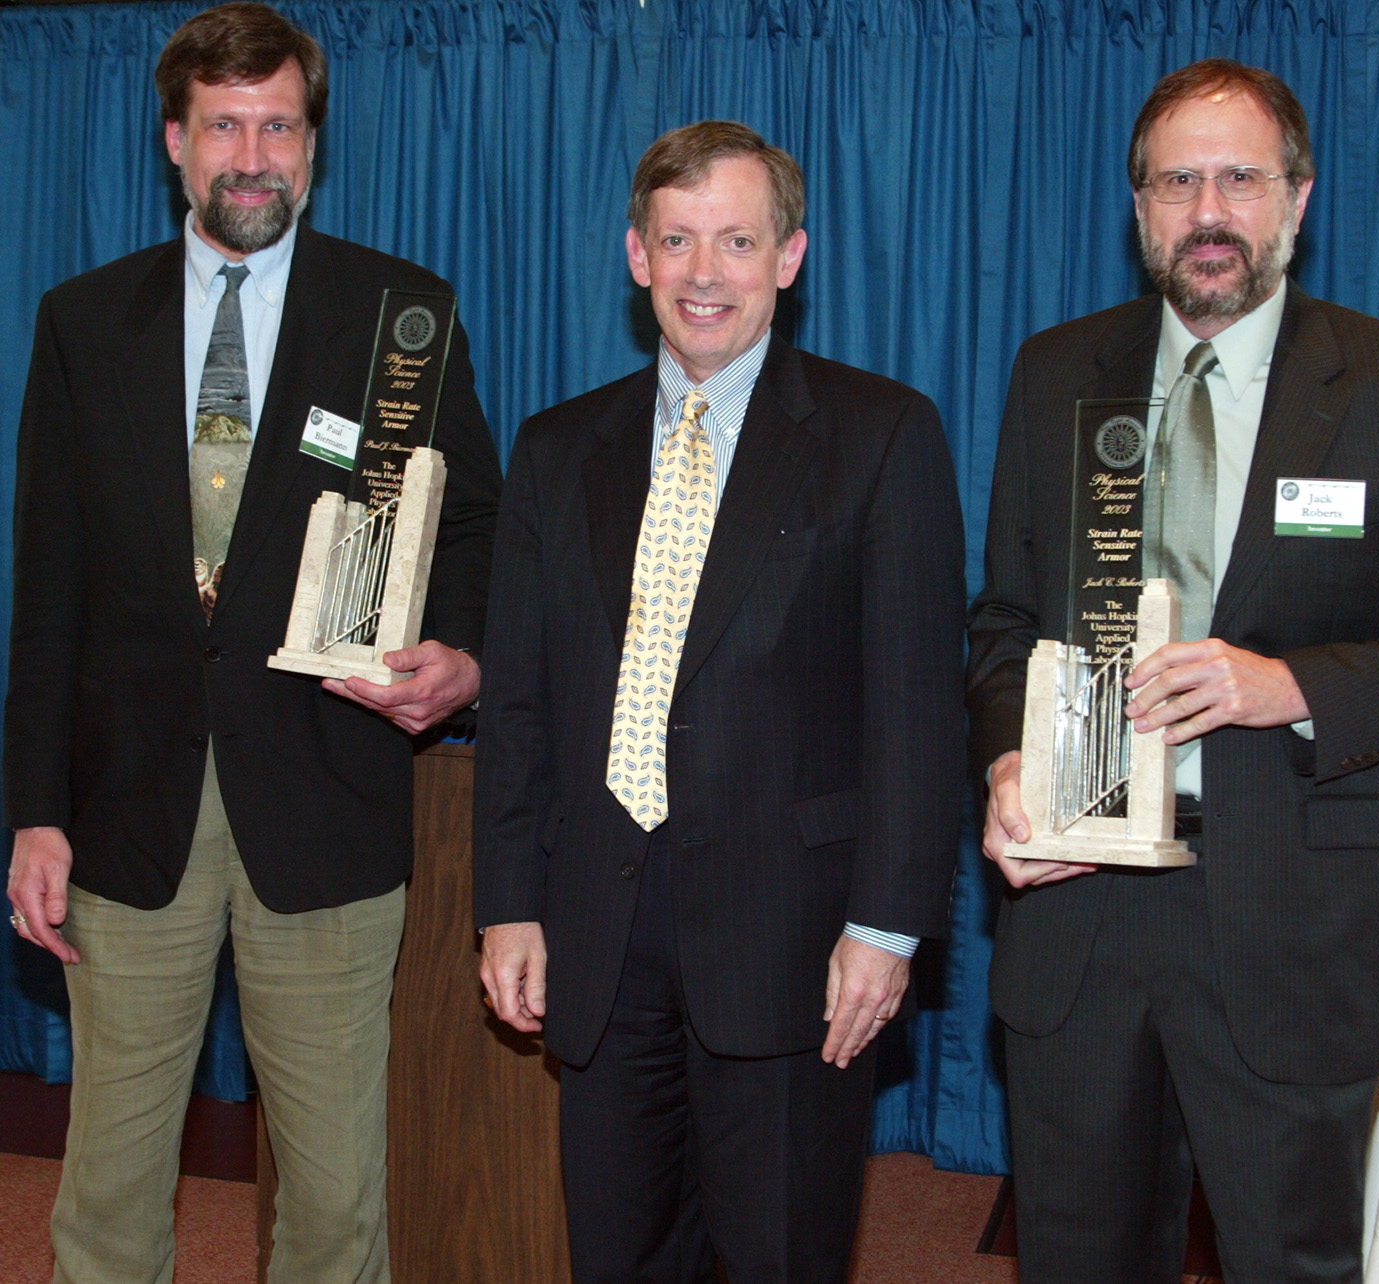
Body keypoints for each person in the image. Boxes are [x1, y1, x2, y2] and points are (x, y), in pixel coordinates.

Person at [2, 5, 502, 1281]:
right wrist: (36, 812)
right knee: (109, 1186)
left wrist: (462, 658)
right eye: (224, 125)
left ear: (313, 142)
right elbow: (47, 588)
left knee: (336, 1198)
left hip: (327, 801)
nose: (253, 154)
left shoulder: (403, 314)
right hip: (127, 816)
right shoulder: (80, 322)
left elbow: (483, 533)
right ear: (175, 140)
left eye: (278, 125)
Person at [968, 59, 1379, 1282]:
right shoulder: (1054, 370)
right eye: (1178, 181)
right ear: (1139, 208)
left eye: (1241, 177)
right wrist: (1010, 760)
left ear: (1300, 198)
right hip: (1082, 904)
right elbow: (1006, 619)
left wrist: (1291, 688)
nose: (1209, 210)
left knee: (1290, 1262)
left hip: (1298, 911)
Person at [474, 120, 965, 1283]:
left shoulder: (882, 435)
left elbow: (917, 709)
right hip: (599, 927)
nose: (706, 275)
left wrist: (885, 926)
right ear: (636, 255)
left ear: (789, 258)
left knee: (779, 1255)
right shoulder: (556, 449)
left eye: (737, 241)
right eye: (678, 241)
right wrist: (506, 903)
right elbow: (526, 706)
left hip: (795, 938)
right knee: (622, 1255)